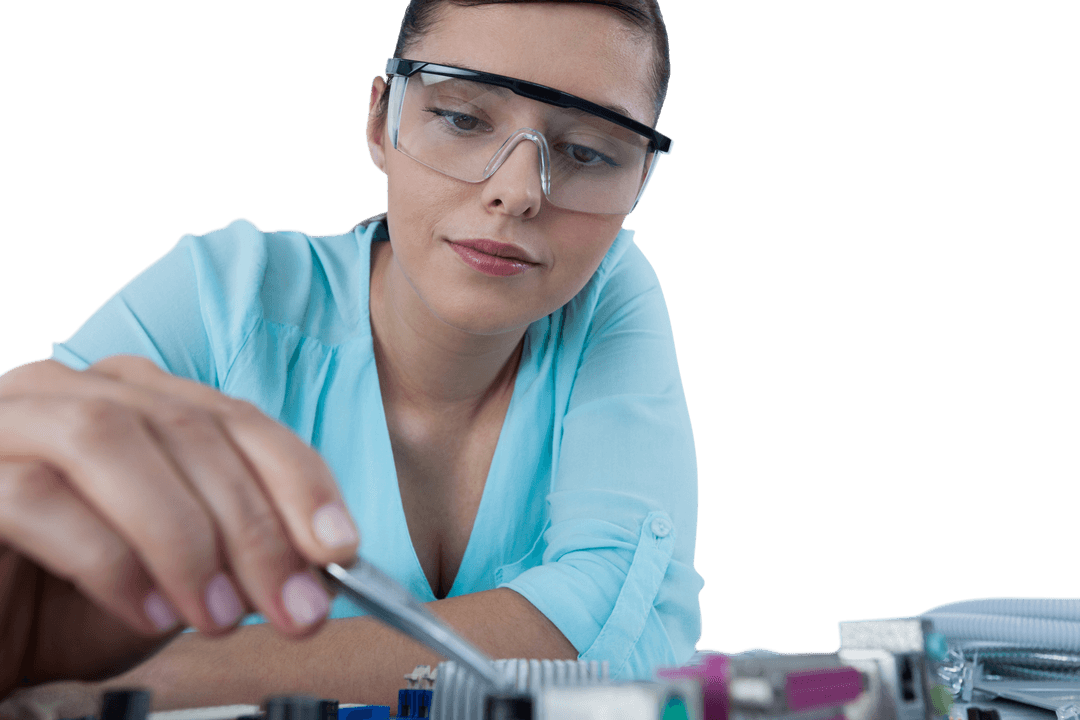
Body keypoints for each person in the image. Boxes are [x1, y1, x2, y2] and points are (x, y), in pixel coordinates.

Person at [0, 0, 701, 714]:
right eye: (462, 118)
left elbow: (610, 630)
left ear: (639, 183)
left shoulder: (608, 289)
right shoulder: (222, 297)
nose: (516, 193)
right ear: (380, 121)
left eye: (587, 152)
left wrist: (135, 685)